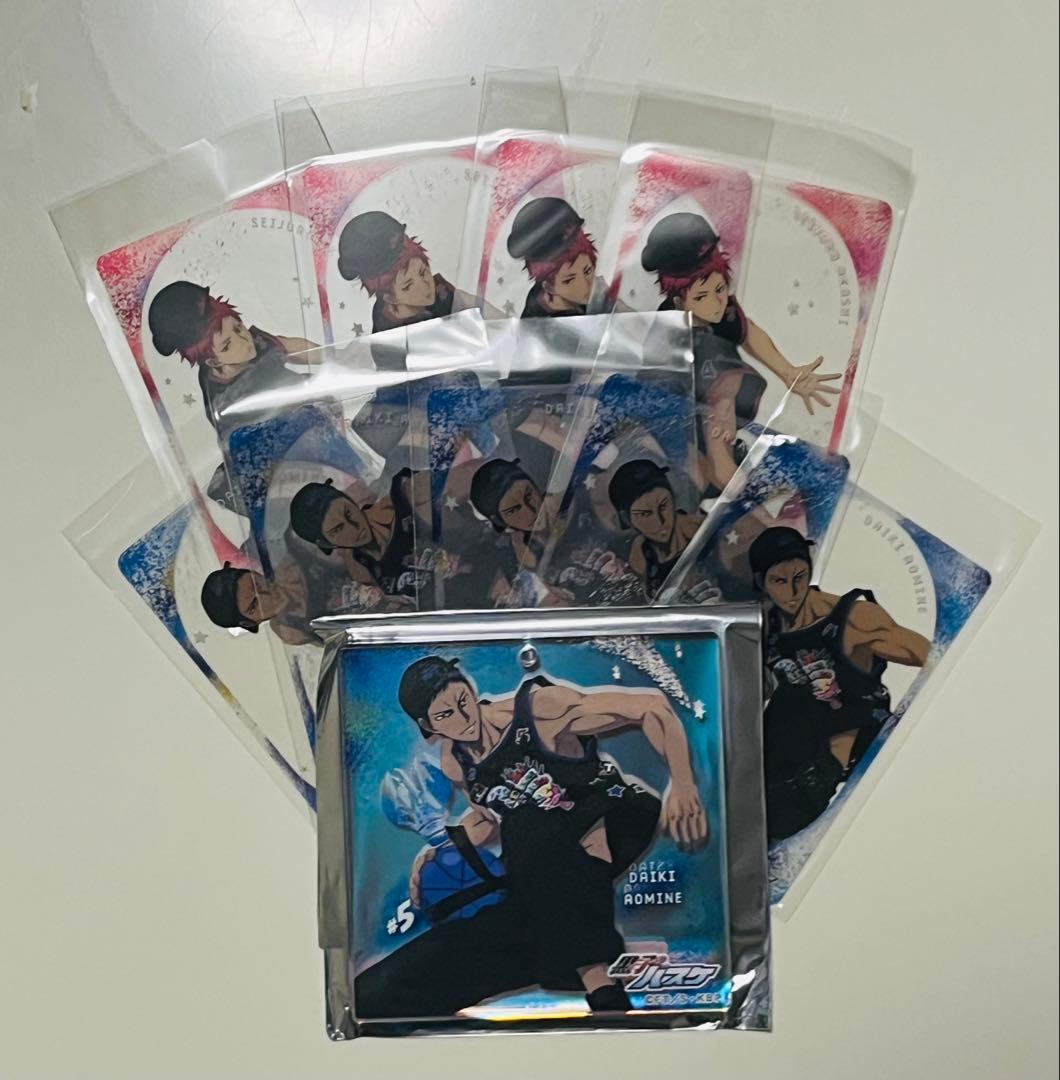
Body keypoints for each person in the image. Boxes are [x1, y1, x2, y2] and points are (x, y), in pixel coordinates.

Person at [352, 656, 707, 1018]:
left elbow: (650, 707)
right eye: (446, 716)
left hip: (614, 817)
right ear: (429, 725)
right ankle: (373, 999)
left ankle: (598, 981)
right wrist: (441, 846)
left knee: (526, 825)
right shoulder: (457, 761)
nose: (463, 717)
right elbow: (488, 817)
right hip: (543, 864)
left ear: (469, 687)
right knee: (471, 938)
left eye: (462, 700)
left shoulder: (539, 710)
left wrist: (682, 783)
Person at [748, 527, 931, 840]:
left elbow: (934, 654)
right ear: (761, 582)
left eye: (800, 576)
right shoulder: (767, 629)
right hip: (791, 739)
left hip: (845, 742)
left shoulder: (855, 619)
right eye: (779, 581)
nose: (793, 591)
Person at [641, 213, 840, 495]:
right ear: (678, 300)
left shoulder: (724, 312)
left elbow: (749, 333)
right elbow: (658, 393)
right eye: (701, 297)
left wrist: (788, 372)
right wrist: (713, 409)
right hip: (673, 405)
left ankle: (733, 476)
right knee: (707, 468)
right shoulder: (668, 332)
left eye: (720, 289)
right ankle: (731, 482)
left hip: (714, 396)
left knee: (720, 453)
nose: (716, 303)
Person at [148, 280, 318, 434]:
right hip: (272, 431)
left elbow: (291, 346)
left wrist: (330, 356)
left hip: (304, 397)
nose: (243, 340)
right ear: (213, 361)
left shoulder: (257, 342)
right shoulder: (224, 398)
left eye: (238, 328)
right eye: (227, 345)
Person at [288, 472, 421, 607]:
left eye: (348, 512)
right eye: (338, 529)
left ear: (350, 501)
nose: (354, 526)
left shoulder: (404, 500)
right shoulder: (359, 568)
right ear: (326, 544)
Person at [337, 211, 457, 335]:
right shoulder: (387, 327)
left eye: (423, 272)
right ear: (390, 298)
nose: (425, 286)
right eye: (408, 286)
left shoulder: (443, 292)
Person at [608, 460, 704, 601]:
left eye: (663, 506)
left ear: (673, 499)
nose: (660, 522)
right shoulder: (640, 555)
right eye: (645, 514)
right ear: (627, 519)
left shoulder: (703, 532)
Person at [507, 197, 597, 318]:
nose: (586, 286)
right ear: (548, 287)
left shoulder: (599, 292)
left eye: (588, 271)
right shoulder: (537, 320)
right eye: (569, 280)